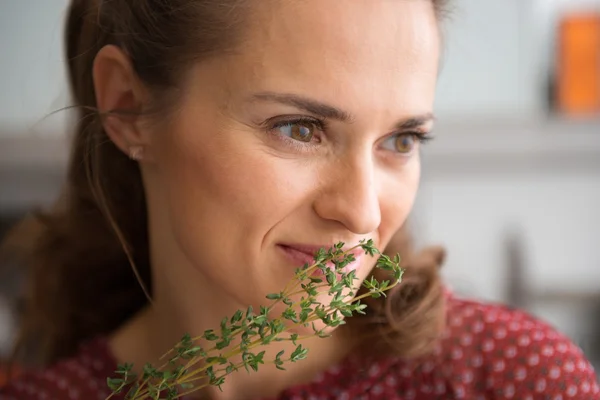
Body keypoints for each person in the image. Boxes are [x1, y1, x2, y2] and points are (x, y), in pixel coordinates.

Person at [1, 0, 599, 399]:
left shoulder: (519, 380)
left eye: (401, 140)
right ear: (129, 107)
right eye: (299, 129)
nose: (364, 212)